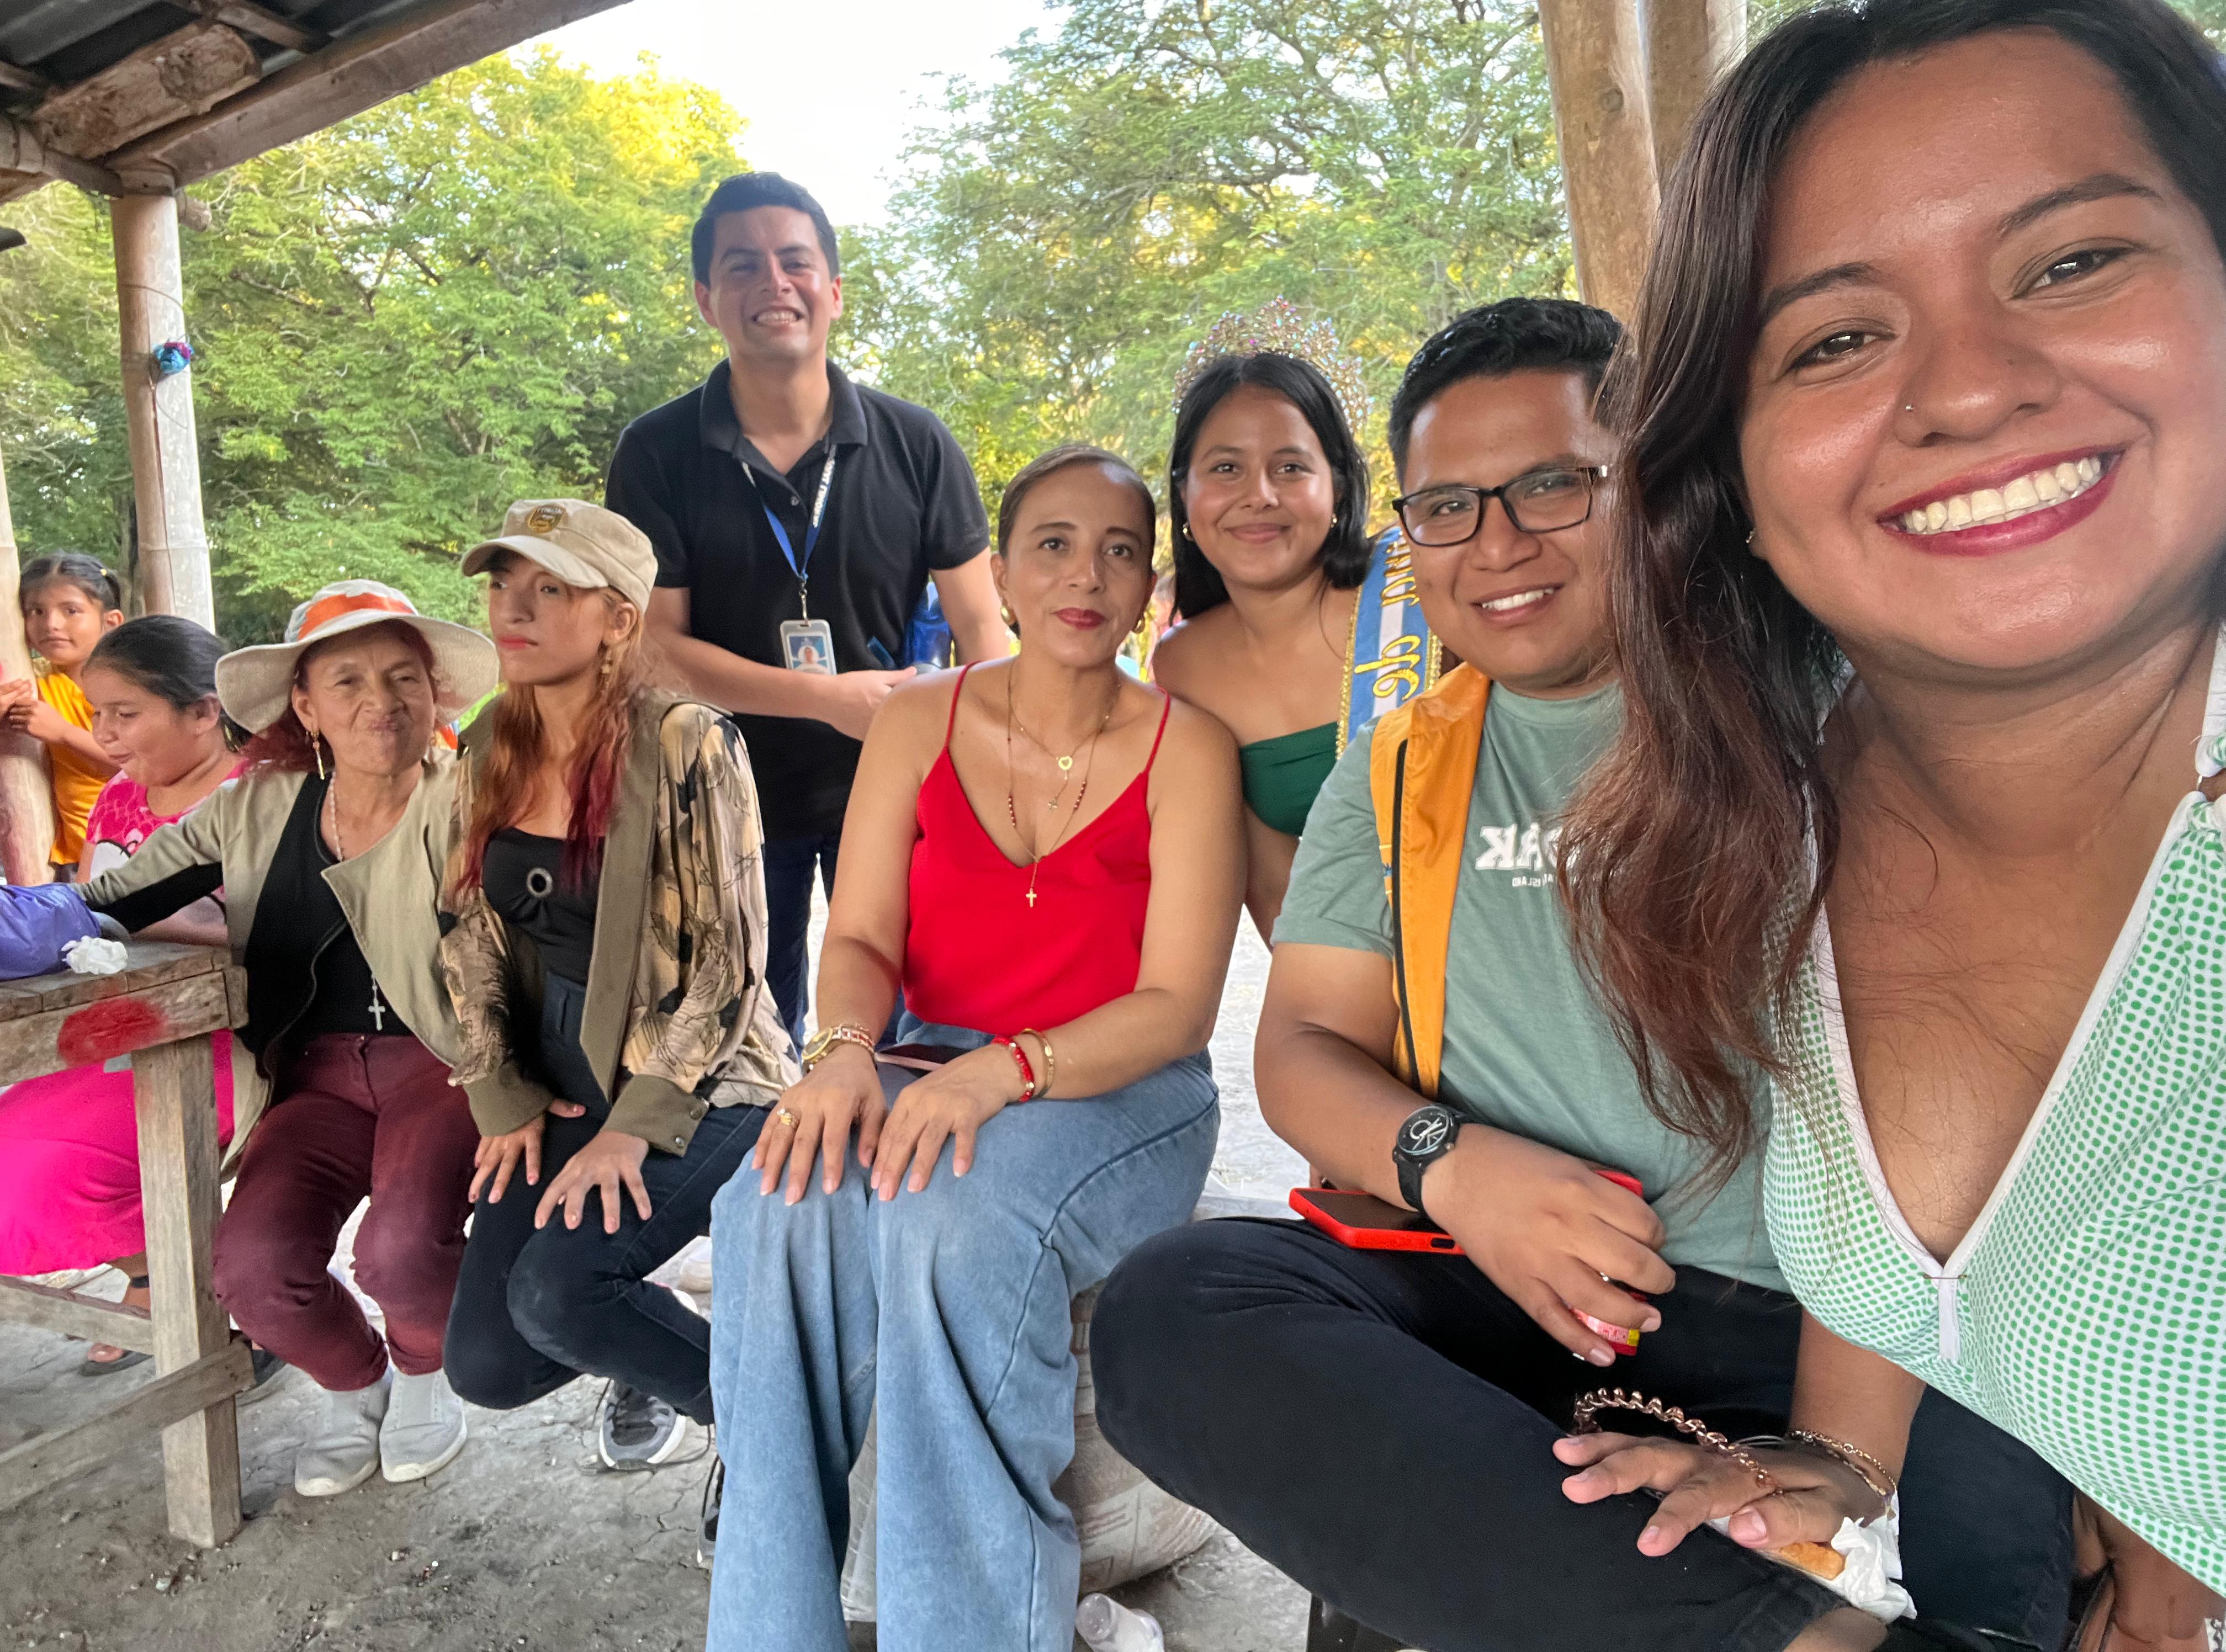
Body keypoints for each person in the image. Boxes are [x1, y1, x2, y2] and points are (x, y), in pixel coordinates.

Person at [1091, 299, 2076, 1652]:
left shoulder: (1841, 705)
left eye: (1554, 484)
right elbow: (1305, 1045)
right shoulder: (1401, 766)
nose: (1498, 543)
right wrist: (1455, 1168)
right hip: (1502, 1290)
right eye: (1447, 507)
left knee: (2002, 1548)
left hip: (1855, 1327)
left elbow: (1993, 1082)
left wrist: (1846, 1453)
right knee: (1175, 1312)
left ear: (1658, 485)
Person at [1552, 0, 2226, 1648]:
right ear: (1733, 484)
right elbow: (1915, 1254)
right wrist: (1840, 1475)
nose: (1972, 389)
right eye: (1837, 340)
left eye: (2073, 261)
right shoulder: (1784, 811)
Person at [703, 444, 1243, 1649]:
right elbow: (859, 935)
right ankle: (769, 1627)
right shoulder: (915, 719)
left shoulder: (1188, 747)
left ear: (1147, 586)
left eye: (1118, 550)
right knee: (773, 1200)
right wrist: (844, 1051)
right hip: (928, 1056)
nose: (1084, 574)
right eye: (1053, 543)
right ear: (999, 570)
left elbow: (1177, 1006)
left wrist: (1004, 1071)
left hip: (1122, 1082)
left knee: (954, 1218)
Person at [80, 581, 499, 1499]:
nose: (380, 701)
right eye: (346, 680)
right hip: (312, 1076)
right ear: (304, 705)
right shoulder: (255, 807)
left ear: (435, 693)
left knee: (401, 1251)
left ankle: (424, 1366)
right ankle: (355, 1383)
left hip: (446, 1065)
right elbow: (112, 901)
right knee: (253, 1269)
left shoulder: (475, 799)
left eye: (403, 676)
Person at [437, 501, 793, 1507]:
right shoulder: (490, 740)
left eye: (551, 589)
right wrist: (500, 1089)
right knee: (490, 1364)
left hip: (702, 1069)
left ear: (618, 620)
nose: (514, 608)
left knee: (561, 1295)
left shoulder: (688, 741)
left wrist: (633, 1126)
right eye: (503, 584)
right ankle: (668, 1346)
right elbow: (466, 926)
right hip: (559, 1069)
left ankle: (776, 1435)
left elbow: (729, 963)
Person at [606, 171, 1007, 1048]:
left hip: (900, 788)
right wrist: (829, 699)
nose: (774, 283)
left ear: (834, 290)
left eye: (795, 261)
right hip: (726, 796)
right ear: (706, 299)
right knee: (748, 1040)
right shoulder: (657, 452)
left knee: (915, 1032)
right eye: (742, 266)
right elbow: (655, 650)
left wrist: (1011, 765)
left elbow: (984, 629)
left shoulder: (916, 443)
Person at [1151, 299, 1442, 936]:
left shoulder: (1424, 588)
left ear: (1336, 485)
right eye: (1226, 468)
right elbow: (1277, 889)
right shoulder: (1183, 665)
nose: (1259, 495)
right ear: (1185, 492)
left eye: (1290, 467)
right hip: (1355, 974)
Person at [0, 617, 240, 1374]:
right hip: (118, 1033)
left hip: (229, 1044)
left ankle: (208, 1291)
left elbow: (277, 937)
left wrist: (119, 915)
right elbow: (85, 921)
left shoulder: (263, 797)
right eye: (97, 711)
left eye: (125, 713)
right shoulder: (117, 797)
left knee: (28, 1181)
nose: (102, 732)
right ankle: (162, 1275)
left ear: (204, 710)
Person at [0, 553, 125, 877]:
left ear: (111, 622)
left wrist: (64, 733)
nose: (51, 624)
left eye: (71, 611)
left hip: (135, 846)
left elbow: (141, 766)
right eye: (36, 611)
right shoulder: (34, 681)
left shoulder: (132, 686)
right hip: (73, 855)